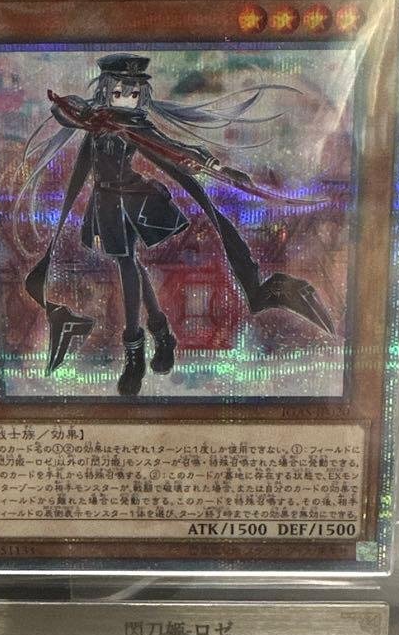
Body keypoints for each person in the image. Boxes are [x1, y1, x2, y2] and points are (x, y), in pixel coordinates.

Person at [20, 53, 332, 395]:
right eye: (119, 92)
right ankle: (162, 333)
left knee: (127, 265)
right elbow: (65, 113)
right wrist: (80, 111)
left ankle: (134, 352)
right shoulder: (97, 121)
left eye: (134, 93)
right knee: (130, 264)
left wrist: (213, 165)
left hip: (133, 202)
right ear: (106, 90)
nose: (127, 99)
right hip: (106, 204)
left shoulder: (137, 126)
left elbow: (172, 148)